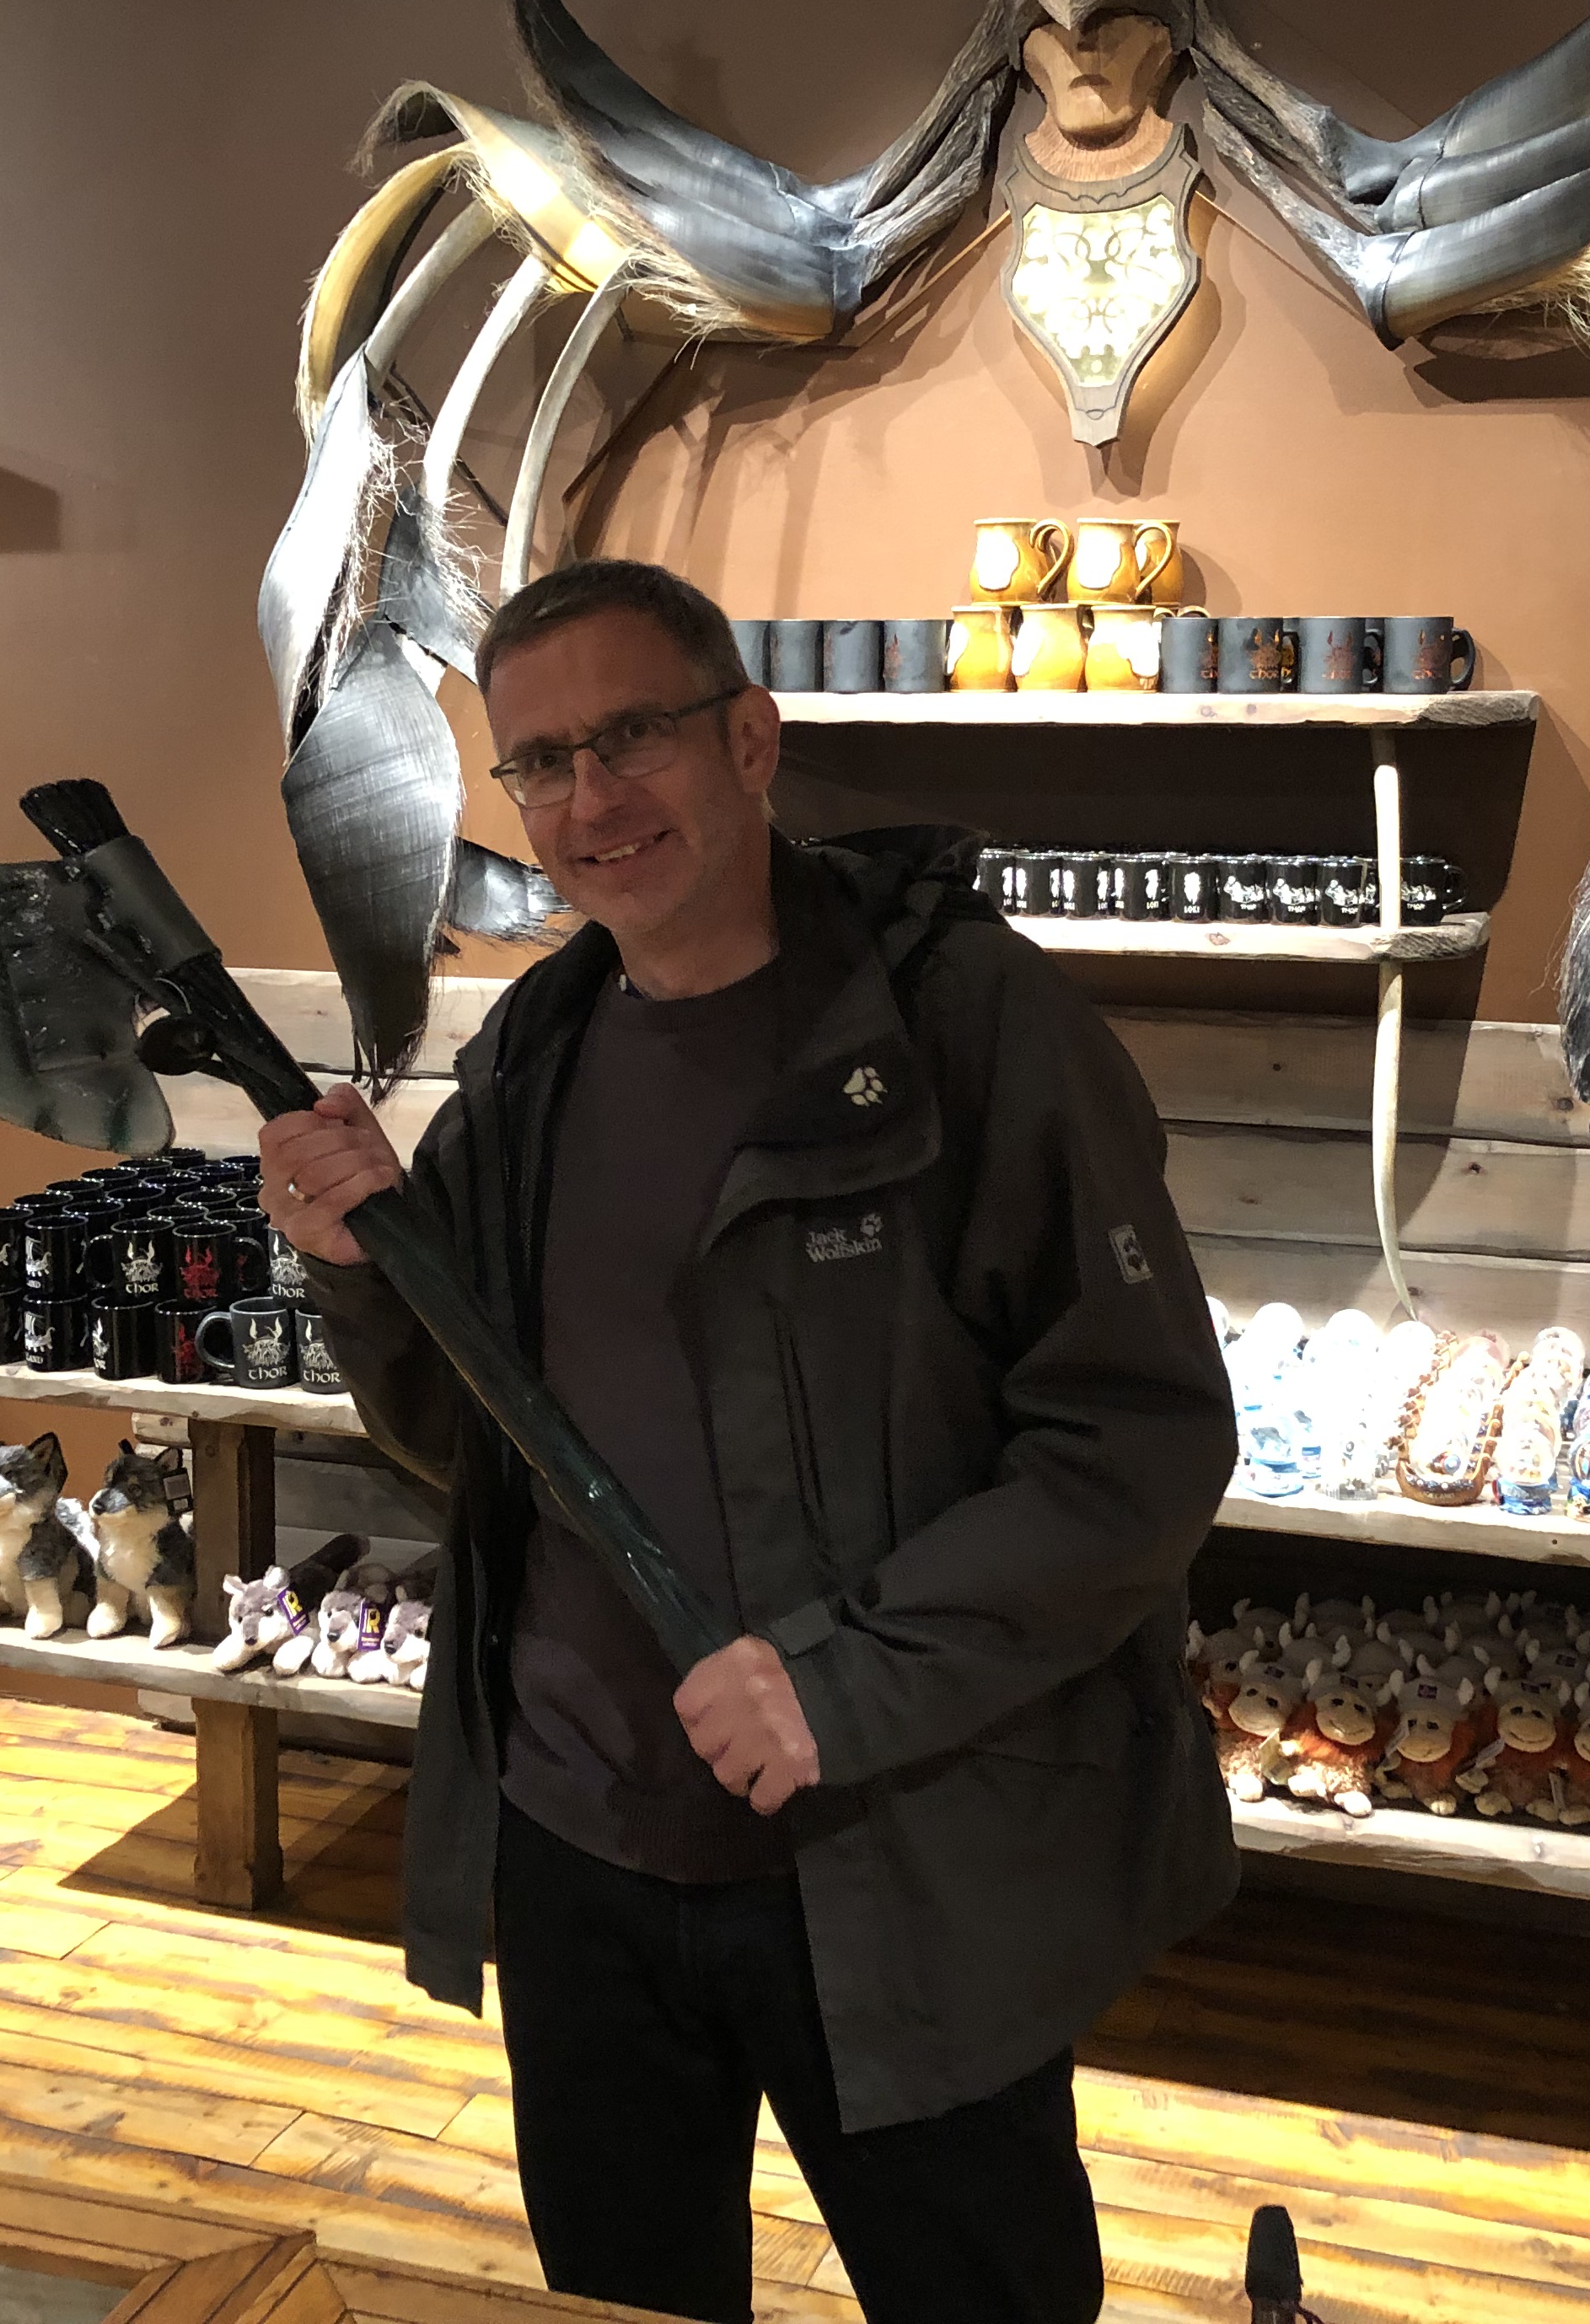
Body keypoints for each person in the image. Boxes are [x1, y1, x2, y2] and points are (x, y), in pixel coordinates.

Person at [259, 558, 1237, 2324]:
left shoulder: (962, 1029)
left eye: (631, 737)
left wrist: (842, 1682)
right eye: (540, 763)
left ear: (751, 740)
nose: (588, 801)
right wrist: (359, 1268)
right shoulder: (537, 1057)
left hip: (891, 1855)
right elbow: (467, 1439)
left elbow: (1137, 1444)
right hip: (579, 1843)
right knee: (623, 2299)